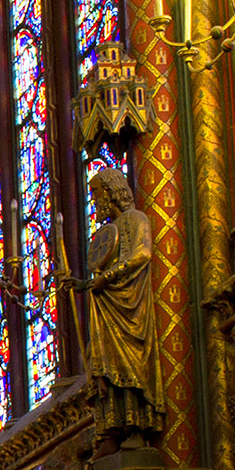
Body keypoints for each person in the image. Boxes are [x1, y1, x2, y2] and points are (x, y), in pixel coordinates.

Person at [83, 168, 162, 451]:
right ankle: (114, 426)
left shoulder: (136, 219)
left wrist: (108, 277)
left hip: (131, 307)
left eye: (96, 193)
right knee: (105, 364)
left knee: (132, 364)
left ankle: (138, 427)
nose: (94, 200)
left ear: (111, 191)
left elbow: (142, 254)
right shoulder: (109, 230)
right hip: (109, 306)